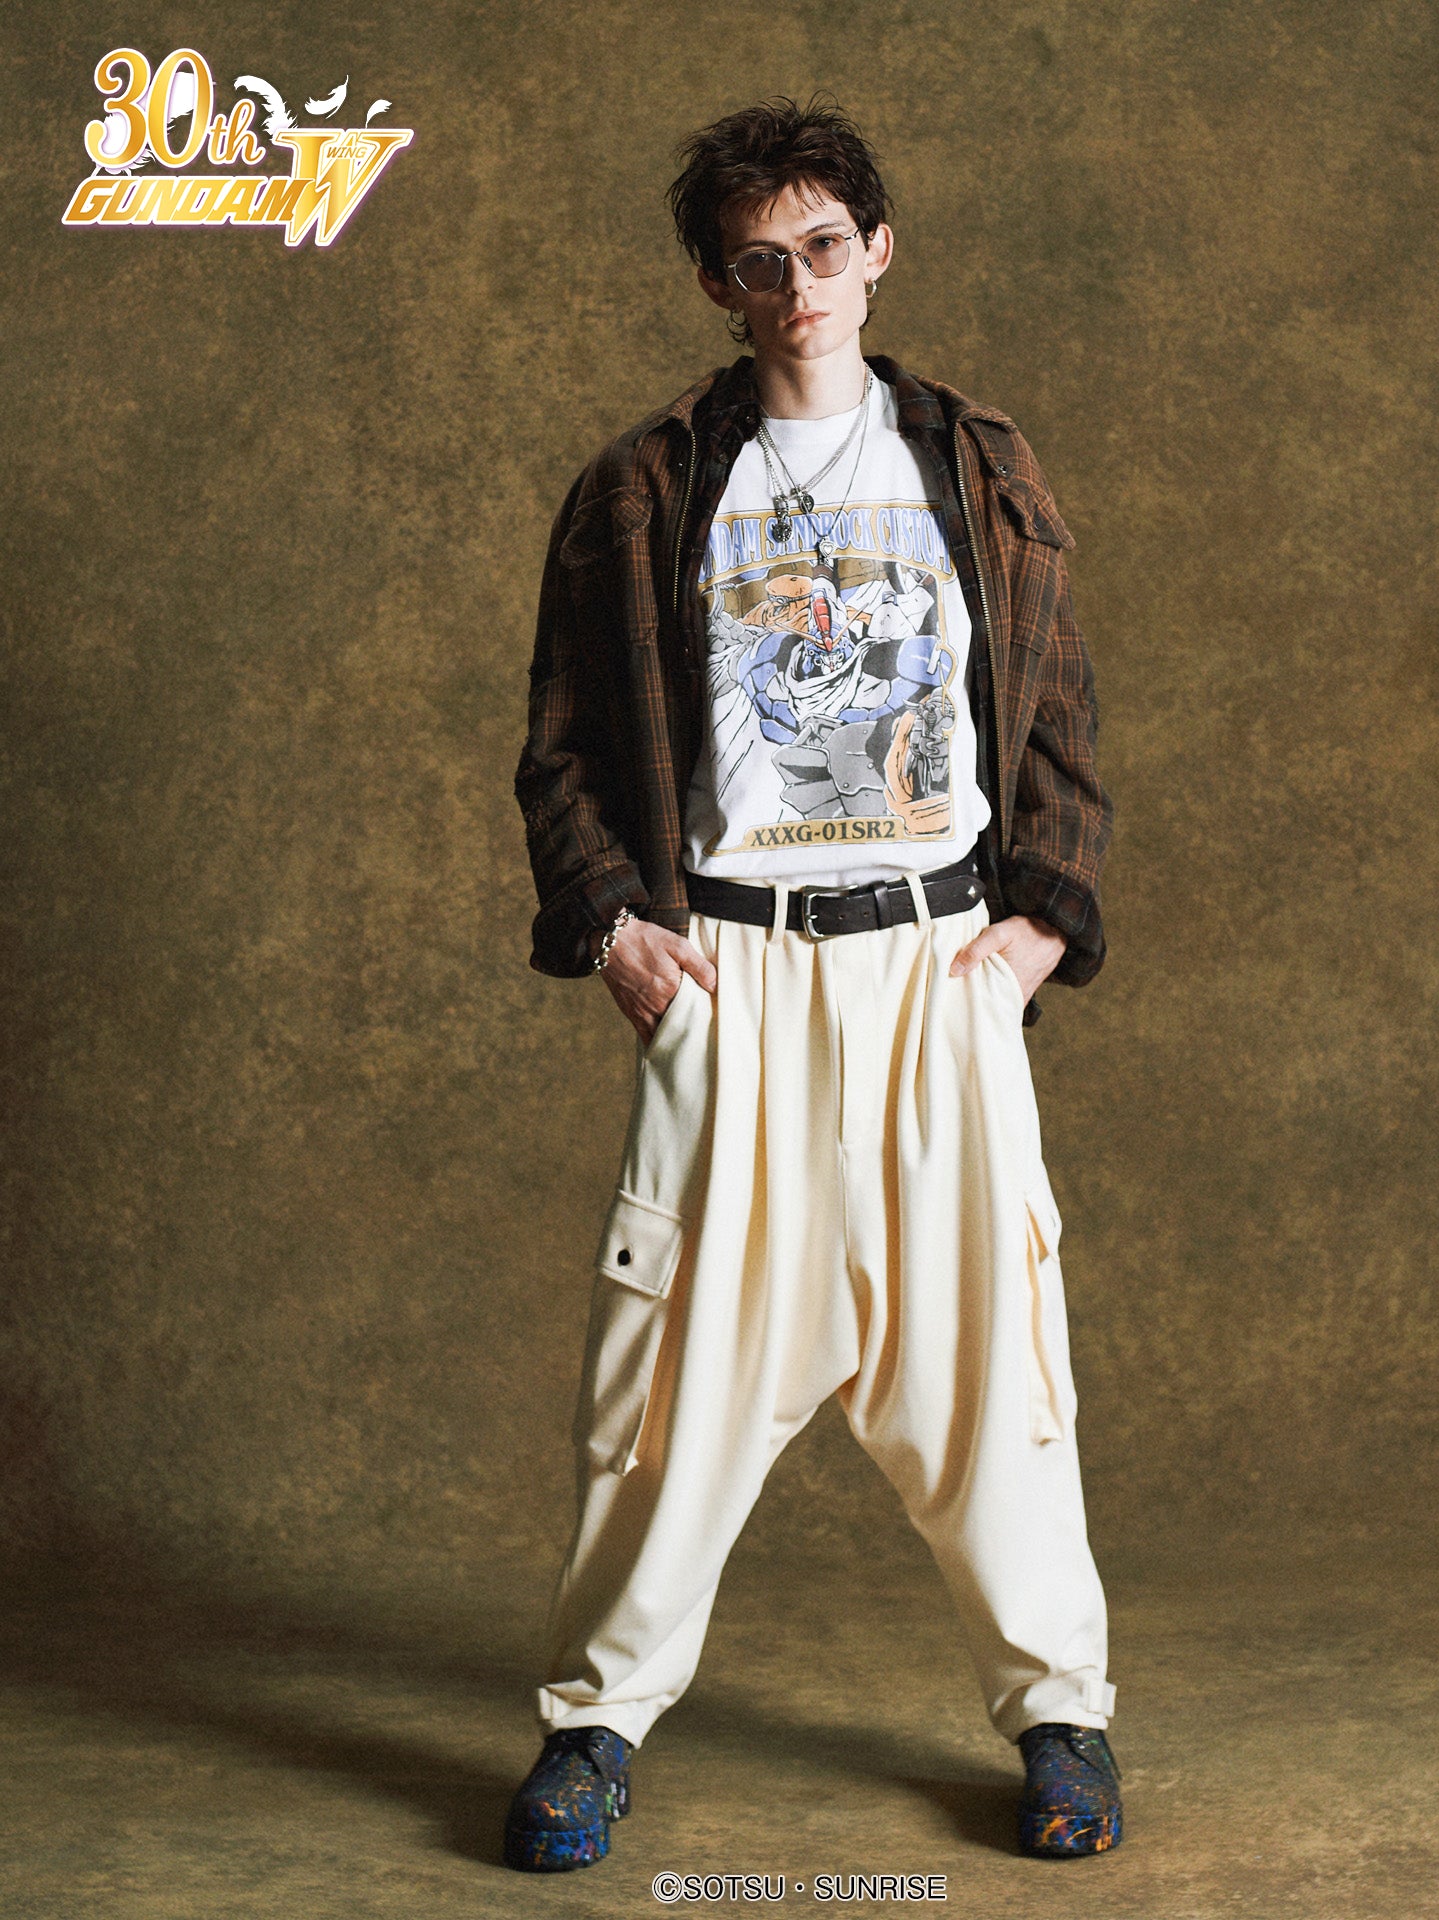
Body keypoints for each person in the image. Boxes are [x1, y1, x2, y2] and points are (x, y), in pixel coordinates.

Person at [506, 94, 1119, 1873]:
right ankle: (594, 1728)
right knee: (668, 1385)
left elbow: (1061, 714)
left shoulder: (976, 463)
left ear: (878, 250)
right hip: (738, 971)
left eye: (825, 248)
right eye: (759, 263)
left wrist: (1039, 930)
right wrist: (616, 933)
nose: (799, 289)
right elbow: (560, 750)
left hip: (937, 964)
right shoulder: (644, 489)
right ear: (720, 284)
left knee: (995, 1365)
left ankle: (1061, 1716)